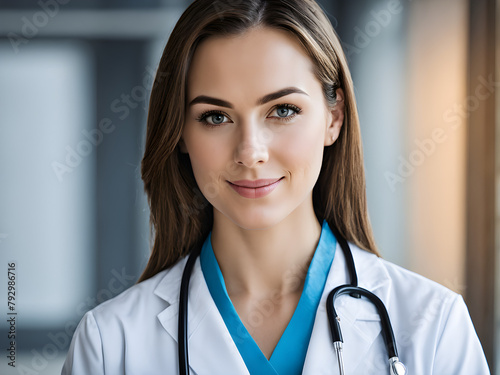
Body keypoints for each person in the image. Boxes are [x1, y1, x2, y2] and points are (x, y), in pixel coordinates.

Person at [61, 0, 490, 374]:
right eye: (215, 116)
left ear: (333, 117)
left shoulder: (434, 327)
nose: (250, 152)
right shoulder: (110, 346)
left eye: (282, 110)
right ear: (180, 135)